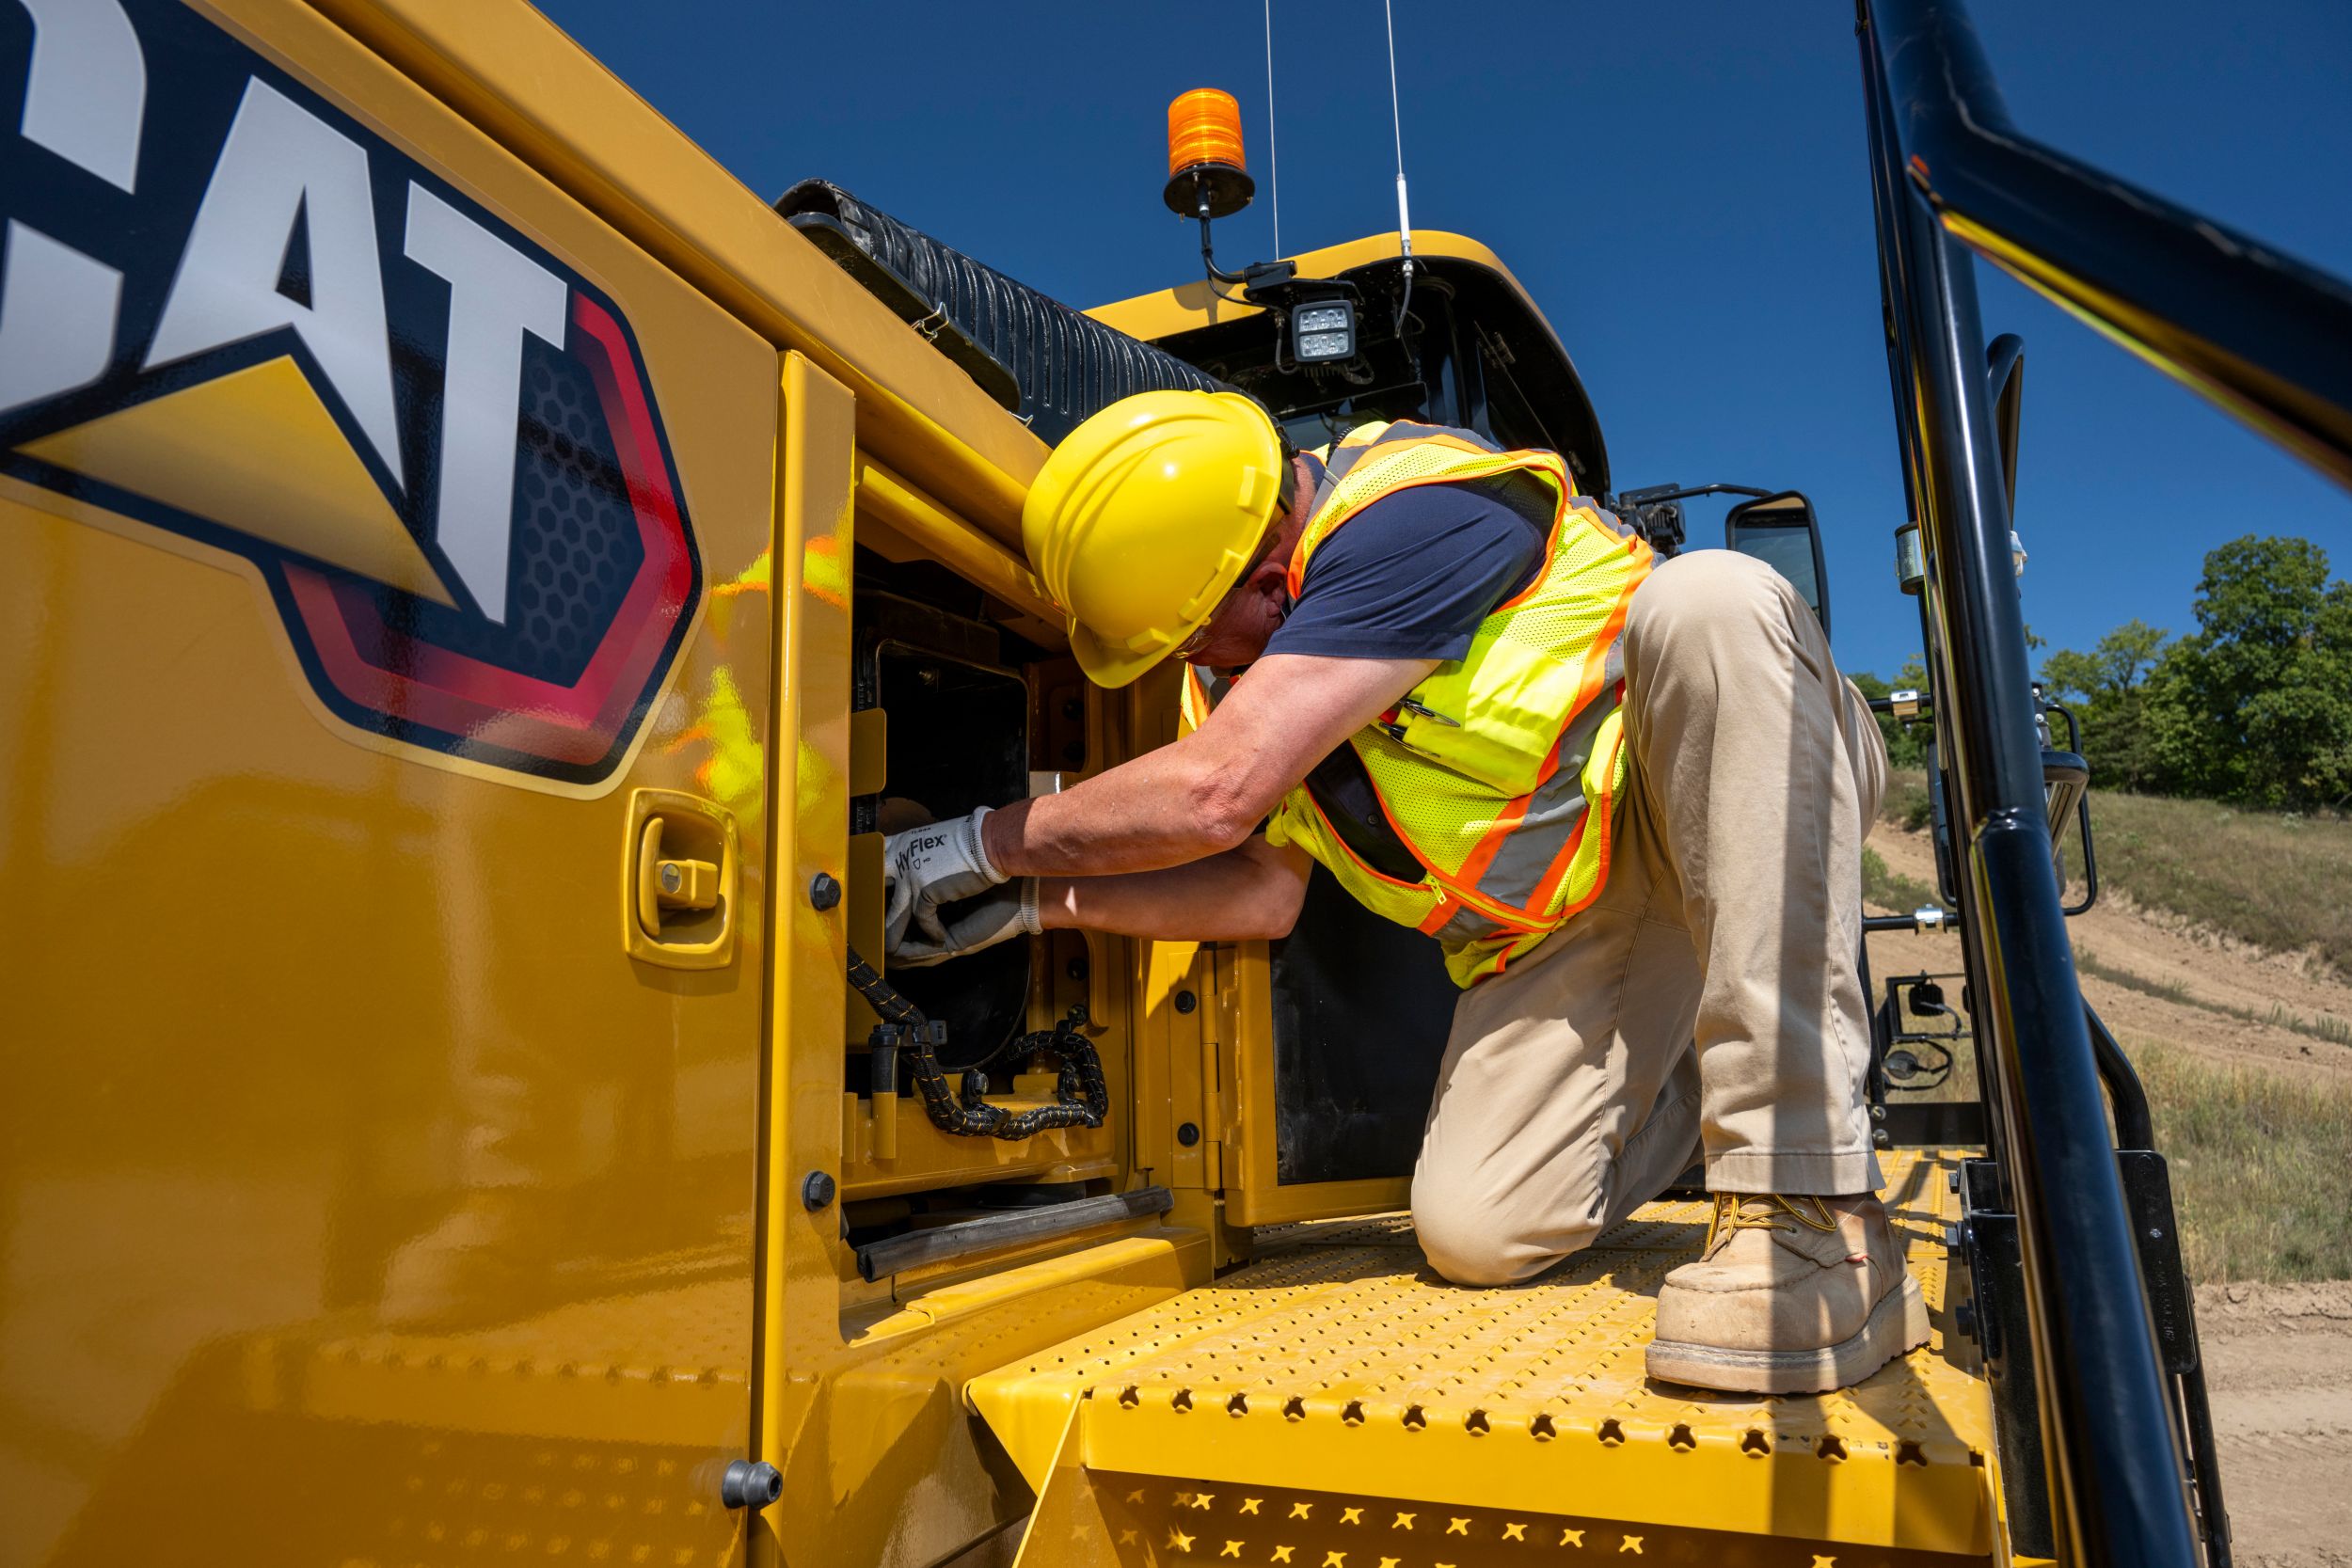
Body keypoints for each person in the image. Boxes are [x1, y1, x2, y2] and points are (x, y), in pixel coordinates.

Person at [882, 389, 1922, 1395]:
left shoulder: (1413, 512)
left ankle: (1812, 1205)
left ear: (1269, 585)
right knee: (1477, 1230)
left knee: (1710, 598)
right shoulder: (1239, 681)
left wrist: (983, 843)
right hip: (1575, 922)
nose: (1189, 662)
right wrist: (1036, 909)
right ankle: (1711, 1057)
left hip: (1714, 779)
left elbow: (1214, 795)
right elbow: (1256, 891)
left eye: (1193, 635)